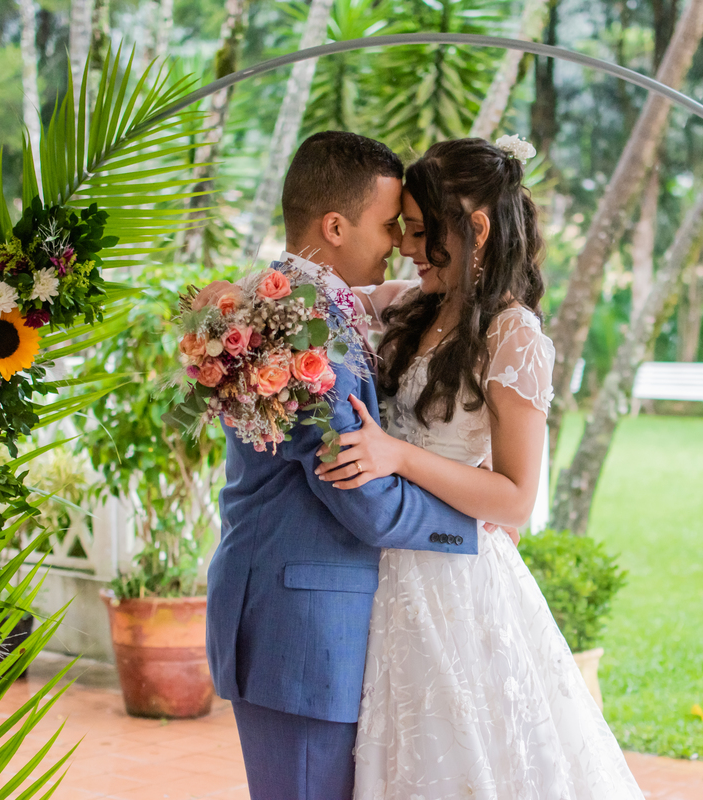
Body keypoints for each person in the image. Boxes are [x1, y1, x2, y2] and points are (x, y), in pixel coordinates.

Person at [313, 137, 645, 800]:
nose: (405, 247)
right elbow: (316, 295)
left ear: (476, 229)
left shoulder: (513, 333)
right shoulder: (415, 304)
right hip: (384, 574)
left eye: (417, 231)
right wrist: (238, 297)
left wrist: (397, 454)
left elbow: (517, 500)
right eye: (401, 230)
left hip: (457, 585)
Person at [205, 131, 483, 800]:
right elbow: (360, 494)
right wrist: (472, 527)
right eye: (389, 225)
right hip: (301, 634)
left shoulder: (293, 303)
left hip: (294, 617)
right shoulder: (309, 327)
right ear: (335, 225)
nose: (396, 244)